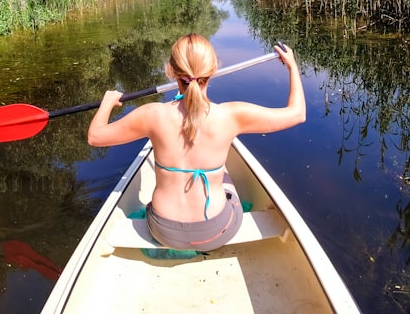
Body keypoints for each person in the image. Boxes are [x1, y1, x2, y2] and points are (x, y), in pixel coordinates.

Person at [87, 33, 305, 251]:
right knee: (226, 177)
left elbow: (95, 137)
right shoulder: (231, 116)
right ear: (213, 71)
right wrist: (292, 67)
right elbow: (297, 114)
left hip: (163, 230)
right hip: (216, 231)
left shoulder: (152, 115)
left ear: (171, 71)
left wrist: (106, 104)